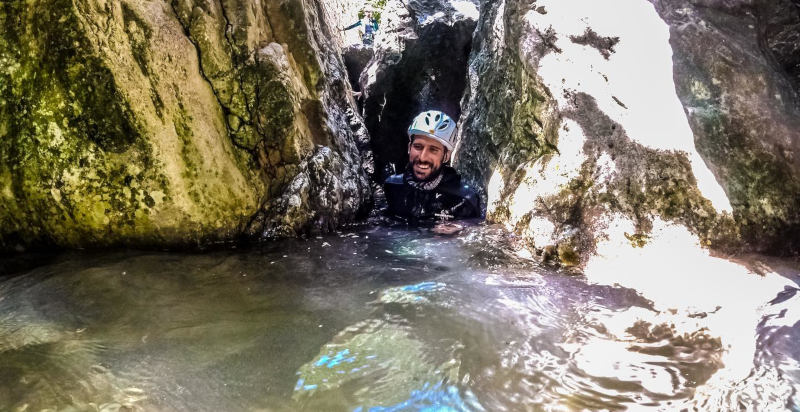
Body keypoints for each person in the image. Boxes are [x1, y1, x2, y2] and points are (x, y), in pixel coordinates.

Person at [384, 110, 481, 232]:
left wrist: (463, 228)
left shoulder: (463, 199)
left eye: (433, 150)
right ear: (409, 147)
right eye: (418, 147)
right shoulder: (392, 186)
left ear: (446, 156)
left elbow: (477, 231)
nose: (423, 157)